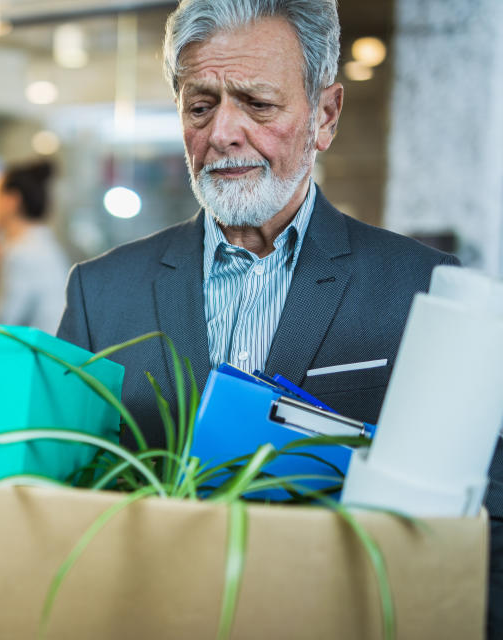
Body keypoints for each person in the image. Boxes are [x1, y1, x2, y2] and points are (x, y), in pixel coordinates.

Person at [56, 1, 503, 634]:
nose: (222, 133)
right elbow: (59, 495)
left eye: (258, 105)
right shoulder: (101, 292)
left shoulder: (418, 289)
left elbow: (486, 515)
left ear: (325, 115)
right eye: (200, 105)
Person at [0, 160, 70, 334]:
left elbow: (0, 324)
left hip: (37, 356)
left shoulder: (24, 254)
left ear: (11, 201)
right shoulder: (42, 244)